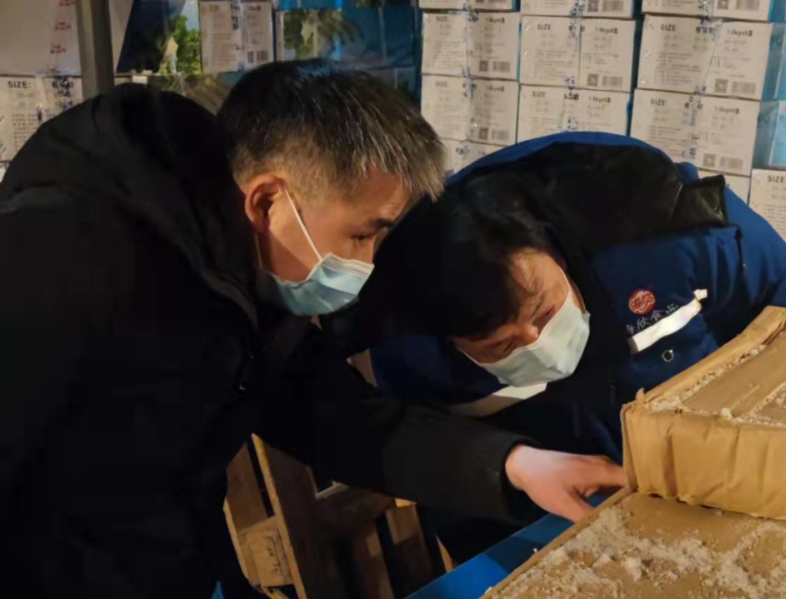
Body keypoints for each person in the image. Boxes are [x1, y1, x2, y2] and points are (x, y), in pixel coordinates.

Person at [0, 63, 626, 598]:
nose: (369, 263)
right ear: (268, 201)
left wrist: (517, 464)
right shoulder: (63, 261)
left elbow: (335, 416)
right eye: (361, 234)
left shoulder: (236, 268)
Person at [330, 132, 786, 561]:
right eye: (502, 346)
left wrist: (753, 452)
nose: (538, 344)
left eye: (545, 312)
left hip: (722, 477)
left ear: (552, 246)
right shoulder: (413, 352)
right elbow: (456, 485)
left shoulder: (668, 231)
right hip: (563, 519)